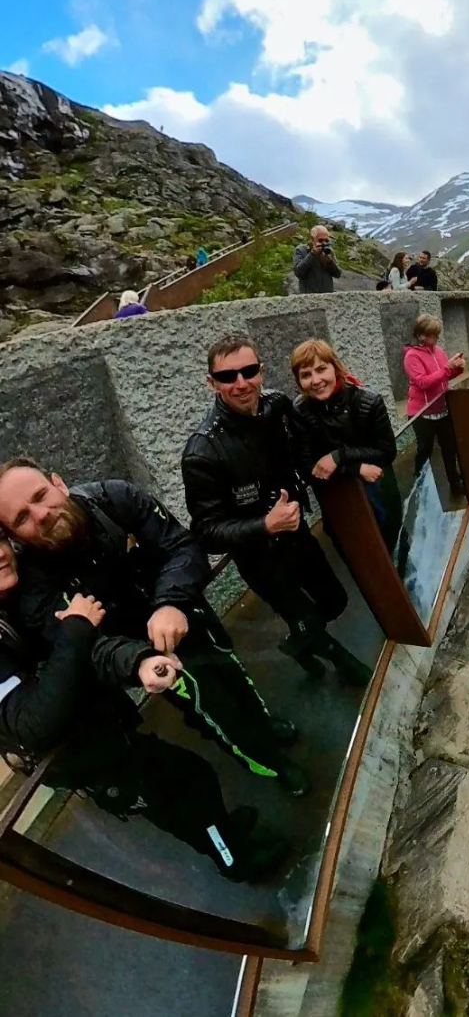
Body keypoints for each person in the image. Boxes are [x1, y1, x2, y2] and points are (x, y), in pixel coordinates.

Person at [0, 459, 309, 796]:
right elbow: (85, 648)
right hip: (141, 653)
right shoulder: (35, 590)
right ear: (16, 538)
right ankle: (271, 764)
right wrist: (139, 660)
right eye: (21, 518)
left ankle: (264, 722)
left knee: (233, 671)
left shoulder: (114, 499)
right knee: (212, 710)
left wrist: (170, 602)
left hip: (183, 614)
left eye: (40, 495)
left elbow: (181, 545)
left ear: (58, 483)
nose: (40, 514)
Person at [0, 540, 287, 882]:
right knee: (184, 797)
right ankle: (233, 860)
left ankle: (222, 831)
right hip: (82, 758)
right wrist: (76, 629)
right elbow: (34, 724)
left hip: (100, 735)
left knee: (191, 781)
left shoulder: (18, 597)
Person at [182, 335, 369, 687]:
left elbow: (307, 444)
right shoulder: (203, 451)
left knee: (335, 600)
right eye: (227, 377)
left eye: (249, 371)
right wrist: (264, 525)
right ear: (212, 383)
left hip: (296, 535)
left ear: (261, 372)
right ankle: (339, 661)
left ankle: (297, 644)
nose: (241, 383)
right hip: (259, 556)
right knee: (305, 617)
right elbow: (206, 531)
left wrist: (348, 457)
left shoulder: (278, 406)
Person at [289, 339, 405, 558]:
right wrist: (356, 468)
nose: (316, 380)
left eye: (321, 369)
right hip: (338, 500)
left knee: (394, 546)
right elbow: (307, 466)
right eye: (306, 375)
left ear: (335, 367)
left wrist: (340, 456)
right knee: (358, 558)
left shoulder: (369, 401)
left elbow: (387, 452)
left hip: (378, 492)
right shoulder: (300, 411)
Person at [403, 315, 466, 496]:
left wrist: (457, 370)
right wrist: (448, 368)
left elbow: (443, 377)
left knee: (449, 447)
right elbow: (423, 383)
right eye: (433, 335)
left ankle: (455, 482)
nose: (437, 339)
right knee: (425, 450)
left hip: (442, 408)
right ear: (422, 335)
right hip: (422, 413)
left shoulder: (438, 351)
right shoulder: (411, 356)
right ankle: (420, 485)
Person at [293, 225, 342, 295]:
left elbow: (338, 274)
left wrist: (330, 262)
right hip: (308, 296)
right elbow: (298, 272)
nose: (324, 243)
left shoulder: (329, 251)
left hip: (327, 296)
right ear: (312, 239)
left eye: (326, 240)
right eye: (320, 240)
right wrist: (312, 254)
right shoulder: (301, 250)